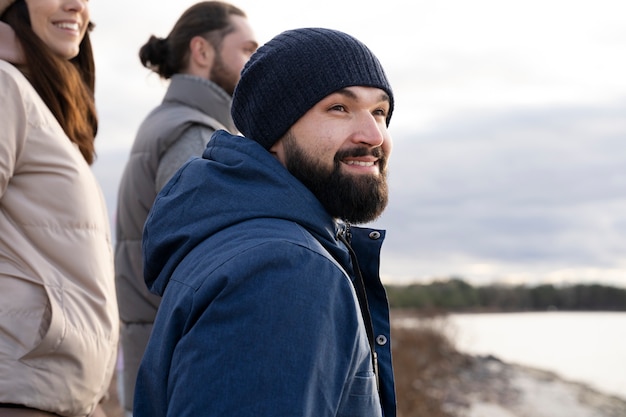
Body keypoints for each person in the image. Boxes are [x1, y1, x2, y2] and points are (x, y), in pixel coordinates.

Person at [134, 27, 397, 417]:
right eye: (339, 108)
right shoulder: (284, 270)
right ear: (274, 131)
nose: (374, 135)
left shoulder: (243, 244)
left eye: (380, 112)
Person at [114, 2, 257, 415]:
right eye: (247, 49)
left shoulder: (169, 121)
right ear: (202, 51)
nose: (255, 63)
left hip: (159, 366)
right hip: (184, 375)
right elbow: (204, 277)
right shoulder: (195, 136)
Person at [0, 0, 118, 416]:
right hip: (21, 388)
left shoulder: (38, 101)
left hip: (61, 393)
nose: (76, 5)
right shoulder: (4, 85)